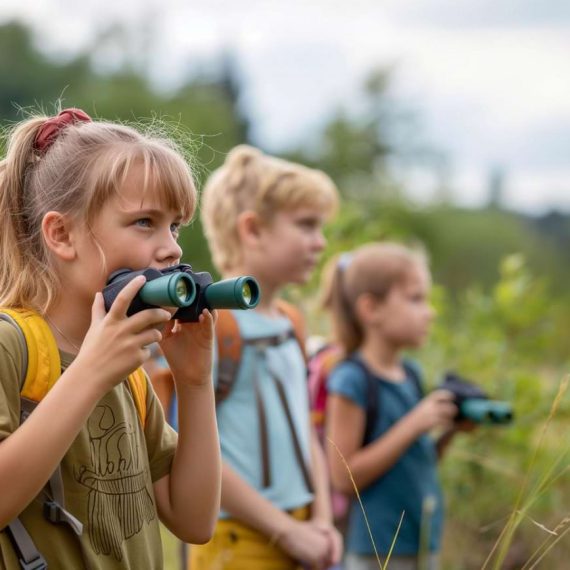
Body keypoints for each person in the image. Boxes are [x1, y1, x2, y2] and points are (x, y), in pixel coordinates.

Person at [0, 109, 221, 569]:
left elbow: (195, 521)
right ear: (62, 234)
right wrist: (92, 373)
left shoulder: (130, 371)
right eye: (145, 222)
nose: (173, 248)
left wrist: (195, 383)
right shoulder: (11, 345)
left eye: (175, 225)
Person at [187, 144, 343, 569]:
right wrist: (287, 531)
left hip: (302, 530)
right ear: (252, 230)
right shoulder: (211, 325)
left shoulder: (291, 321)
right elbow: (191, 452)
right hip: (237, 539)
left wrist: (322, 519)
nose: (320, 241)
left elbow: (305, 426)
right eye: (307, 225)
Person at [323, 242, 466, 570]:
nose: (429, 312)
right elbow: (343, 478)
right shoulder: (351, 379)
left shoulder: (411, 374)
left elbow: (415, 456)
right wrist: (415, 422)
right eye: (416, 299)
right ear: (371, 309)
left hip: (420, 542)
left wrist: (448, 432)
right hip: (377, 548)